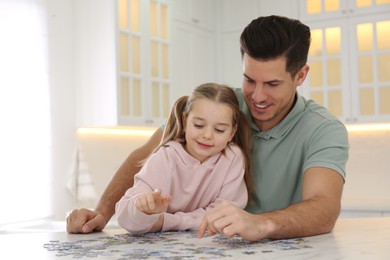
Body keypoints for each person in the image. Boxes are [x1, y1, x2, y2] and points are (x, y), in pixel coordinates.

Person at [66, 15, 349, 241]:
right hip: (201, 241)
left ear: (300, 75)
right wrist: (102, 212)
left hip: (273, 244)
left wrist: (260, 224)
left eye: (272, 84)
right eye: (250, 80)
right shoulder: (220, 107)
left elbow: (323, 208)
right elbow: (145, 156)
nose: (257, 96)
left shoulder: (323, 129)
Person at [115, 83, 252, 234]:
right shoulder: (165, 157)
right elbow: (124, 218)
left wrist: (167, 221)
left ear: (232, 133)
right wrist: (142, 209)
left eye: (219, 130)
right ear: (185, 121)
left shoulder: (233, 158)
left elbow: (223, 215)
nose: (207, 135)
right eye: (199, 125)